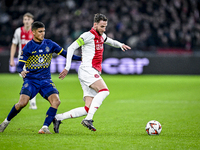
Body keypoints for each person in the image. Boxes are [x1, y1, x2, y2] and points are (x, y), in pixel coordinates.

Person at [54, 13, 131, 133]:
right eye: (102, 26)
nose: (104, 29)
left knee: (87, 108)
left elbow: (110, 41)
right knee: (104, 91)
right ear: (95, 25)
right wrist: (67, 67)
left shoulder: (101, 36)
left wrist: (120, 45)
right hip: (87, 69)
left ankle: (58, 118)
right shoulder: (87, 36)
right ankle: (88, 119)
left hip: (90, 71)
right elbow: (70, 48)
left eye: (105, 26)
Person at [0, 21, 81, 134]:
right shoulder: (29, 46)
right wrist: (21, 71)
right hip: (31, 80)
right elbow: (20, 65)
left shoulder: (50, 44)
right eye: (40, 31)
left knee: (56, 101)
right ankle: (5, 122)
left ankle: (44, 127)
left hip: (46, 80)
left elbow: (67, 54)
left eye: (44, 31)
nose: (43, 33)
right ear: (33, 32)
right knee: (22, 103)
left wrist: (82, 58)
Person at [9, 12, 37, 109]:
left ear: (32, 21)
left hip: (34, 60)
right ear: (23, 21)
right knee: (27, 79)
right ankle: (30, 100)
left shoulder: (35, 31)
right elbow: (14, 45)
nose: (27, 21)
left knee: (30, 80)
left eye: (28, 19)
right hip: (23, 60)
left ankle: (32, 101)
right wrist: (11, 59)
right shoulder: (18, 31)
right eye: (25, 19)